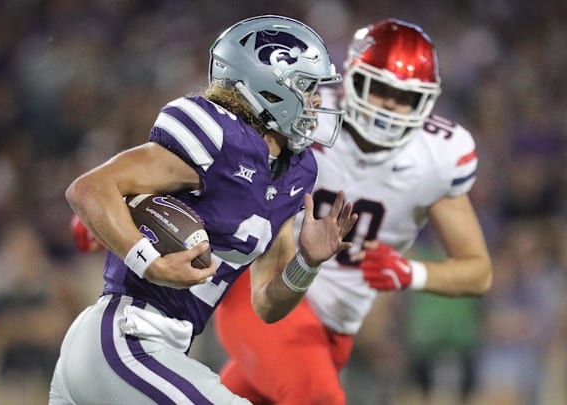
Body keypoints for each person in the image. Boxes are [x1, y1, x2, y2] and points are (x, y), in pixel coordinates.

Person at [49, 14, 358, 404]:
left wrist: (307, 264)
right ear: (269, 87)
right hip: (125, 340)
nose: (318, 101)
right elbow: (89, 189)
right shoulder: (217, 133)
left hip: (148, 351)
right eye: (308, 88)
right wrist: (150, 262)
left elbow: (266, 303)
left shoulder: (297, 172)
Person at [212, 18, 493, 404]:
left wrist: (411, 272)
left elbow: (477, 271)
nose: (390, 106)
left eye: (405, 96)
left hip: (336, 329)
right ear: (352, 79)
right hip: (265, 291)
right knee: (319, 399)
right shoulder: (303, 113)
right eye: (379, 89)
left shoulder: (440, 156)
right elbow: (224, 167)